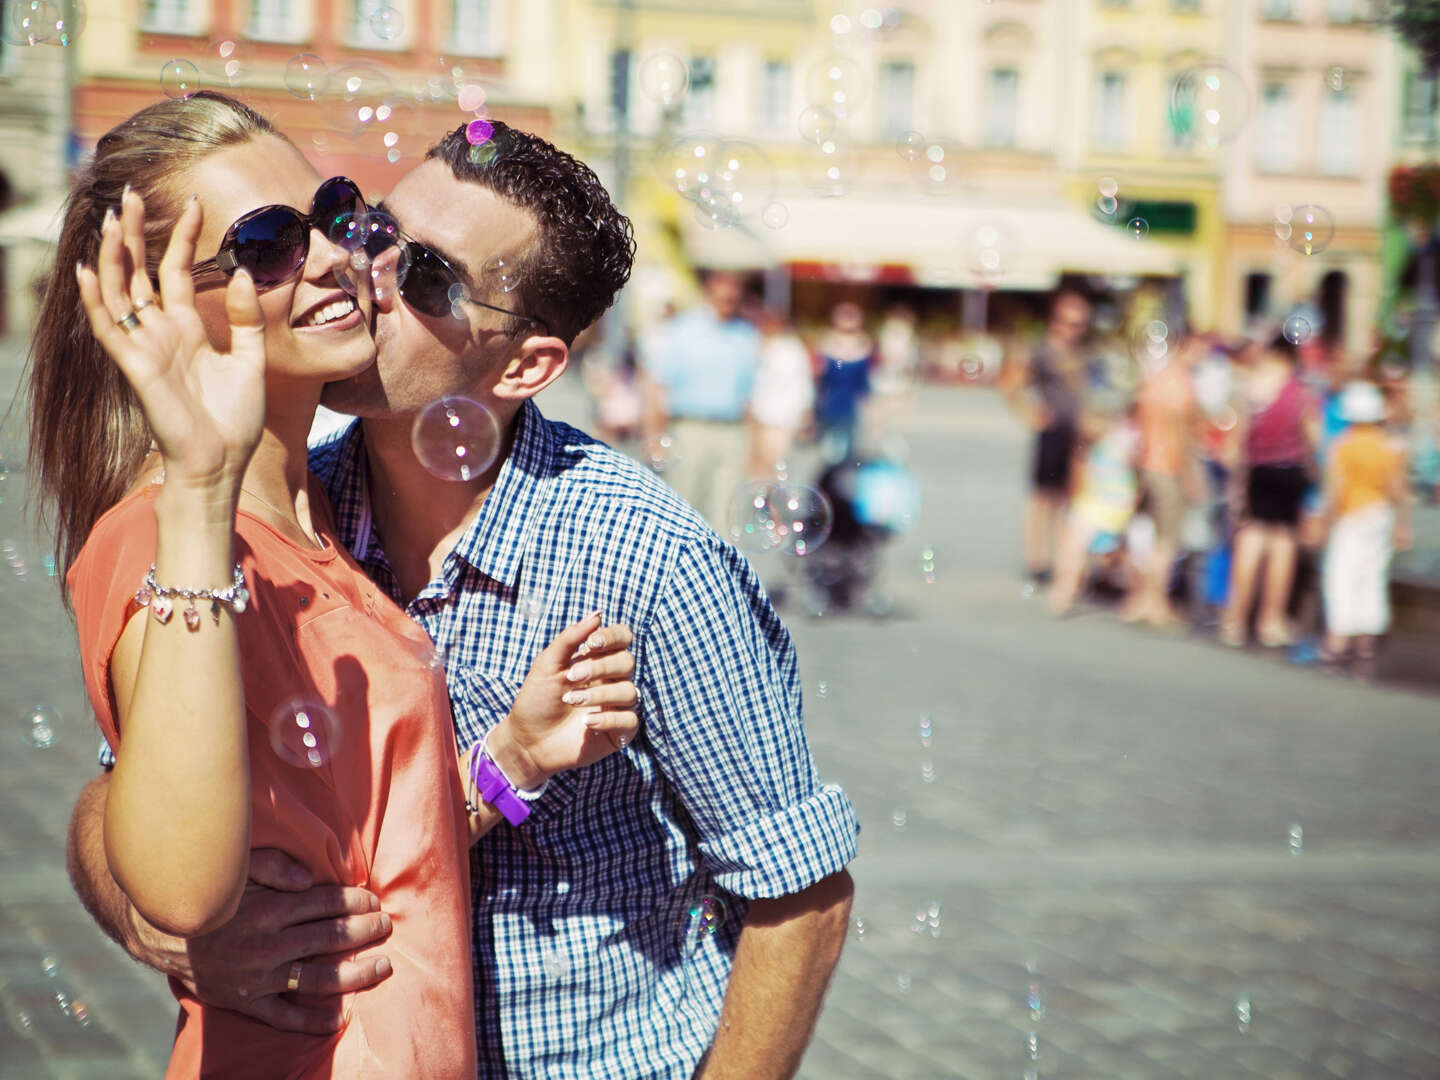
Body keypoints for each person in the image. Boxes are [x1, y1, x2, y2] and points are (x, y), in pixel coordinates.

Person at [68, 119, 858, 1080]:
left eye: (431, 277)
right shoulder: (275, 512)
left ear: (525, 365)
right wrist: (168, 929)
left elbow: (799, 893)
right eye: (371, 229)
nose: (366, 271)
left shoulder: (643, 557)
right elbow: (122, 791)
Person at [32, 95, 638, 1078]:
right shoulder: (170, 531)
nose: (329, 257)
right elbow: (184, 889)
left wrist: (512, 760)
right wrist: (196, 487)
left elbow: (358, 854)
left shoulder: (312, 505)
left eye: (330, 213)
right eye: (266, 244)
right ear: (157, 302)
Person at [640, 269, 763, 528]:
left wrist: (757, 449)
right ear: (709, 290)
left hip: (732, 432)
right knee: (685, 508)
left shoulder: (747, 335)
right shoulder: (682, 330)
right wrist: (654, 435)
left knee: (728, 515)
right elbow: (658, 387)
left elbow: (750, 396)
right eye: (724, 291)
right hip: (689, 428)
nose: (729, 298)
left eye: (734, 292)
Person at [1220, 332, 1321, 647]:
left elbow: (1235, 441)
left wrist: (1237, 480)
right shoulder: (1300, 391)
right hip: (1289, 470)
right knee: (1282, 545)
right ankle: (1270, 621)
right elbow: (1313, 439)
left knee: (1250, 541)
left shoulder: (1251, 385)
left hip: (1257, 470)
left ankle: (1234, 621)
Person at [1002, 289, 1095, 585]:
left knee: (1068, 497)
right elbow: (1010, 383)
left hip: (1077, 432)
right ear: (1054, 321)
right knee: (1042, 497)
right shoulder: (1042, 351)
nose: (1072, 329)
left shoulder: (1082, 352)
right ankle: (1037, 560)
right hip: (1052, 432)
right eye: (1067, 322)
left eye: (1079, 323)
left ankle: (1061, 559)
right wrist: (1030, 415)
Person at [1320, 381, 1412, 678]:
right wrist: (1402, 523)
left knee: (1341, 575)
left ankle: (1337, 642)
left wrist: (1326, 520)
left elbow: (1335, 489)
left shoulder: (1343, 446)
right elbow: (1398, 489)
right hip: (1380, 515)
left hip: (1352, 515)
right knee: (1372, 576)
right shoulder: (1390, 446)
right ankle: (1366, 643)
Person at [1125, 334, 1204, 628]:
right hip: (1168, 467)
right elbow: (1183, 437)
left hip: (1146, 464)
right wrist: (1190, 475)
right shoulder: (1179, 384)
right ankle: (1155, 602)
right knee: (1167, 540)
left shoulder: (1155, 379)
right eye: (1199, 349)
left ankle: (1142, 600)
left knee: (1146, 536)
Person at [1047, 393, 1142, 617]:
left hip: (1100, 506)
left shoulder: (1112, 443)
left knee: (1075, 549)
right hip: (1110, 506)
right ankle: (1136, 595)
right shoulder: (1116, 441)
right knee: (1112, 552)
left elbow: (1078, 481)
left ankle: (1064, 591)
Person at [747, 306, 814, 480]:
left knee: (775, 466)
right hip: (760, 415)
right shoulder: (759, 344)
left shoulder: (791, 349)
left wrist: (805, 413)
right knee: (760, 467)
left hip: (782, 417)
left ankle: (772, 503)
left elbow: (802, 384)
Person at [813, 300, 875, 460]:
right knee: (830, 448)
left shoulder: (864, 343)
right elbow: (825, 375)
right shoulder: (829, 342)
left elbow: (864, 379)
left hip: (852, 402)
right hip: (831, 399)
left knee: (849, 445)